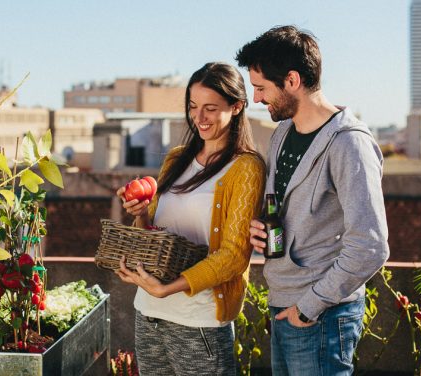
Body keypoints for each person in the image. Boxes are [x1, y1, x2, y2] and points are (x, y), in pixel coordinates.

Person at [237, 26, 390, 375]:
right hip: (283, 303)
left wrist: (308, 307)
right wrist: (261, 227)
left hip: (321, 315)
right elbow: (285, 209)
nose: (257, 99)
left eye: (261, 88)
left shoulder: (348, 143)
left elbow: (371, 246)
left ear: (291, 80)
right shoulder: (282, 134)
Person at [114, 62, 266, 376]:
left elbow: (234, 256)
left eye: (211, 108)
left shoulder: (246, 168)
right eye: (193, 106)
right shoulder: (175, 158)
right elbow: (154, 236)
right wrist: (140, 215)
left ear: (236, 107)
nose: (199, 117)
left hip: (199, 322)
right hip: (149, 314)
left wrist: (168, 288)